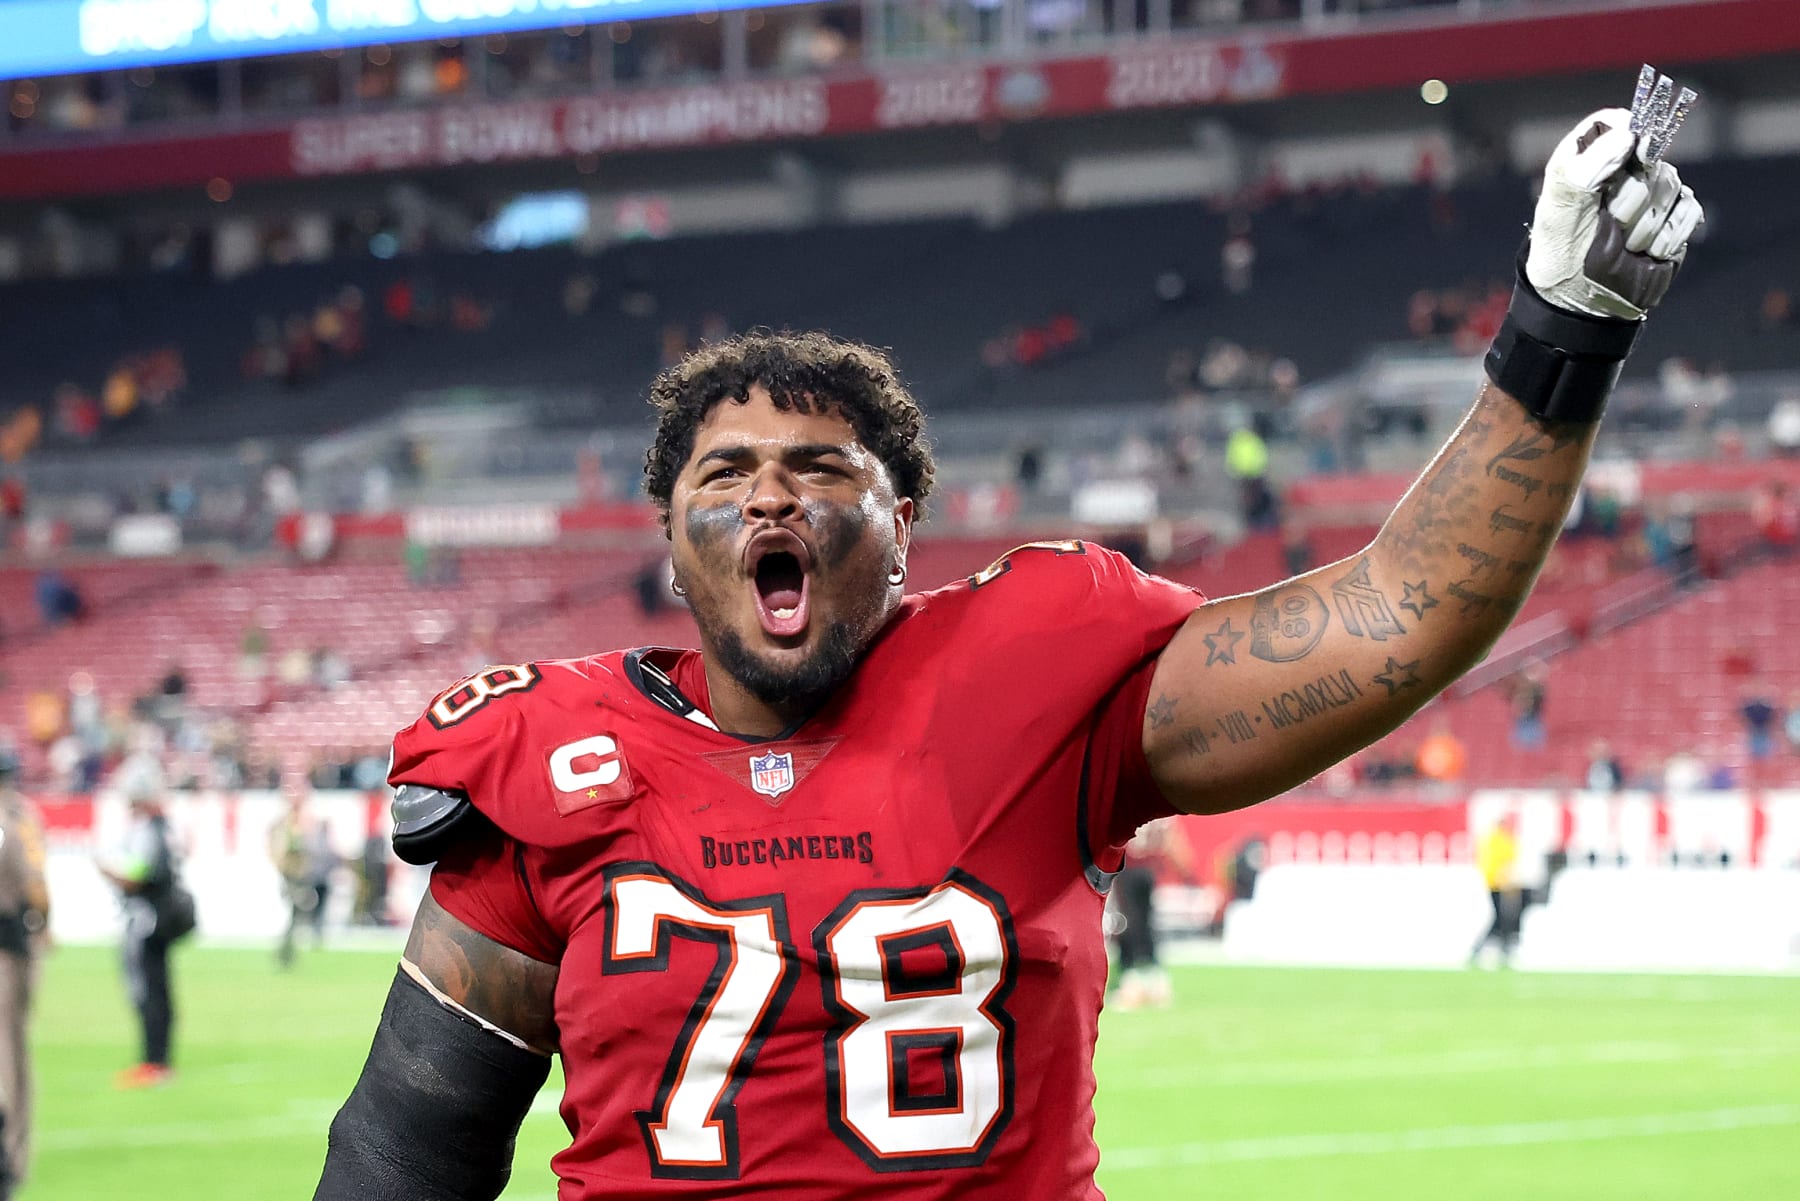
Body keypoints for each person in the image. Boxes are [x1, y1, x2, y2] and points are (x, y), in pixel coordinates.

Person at [316, 106, 1703, 1200]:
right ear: (675, 533)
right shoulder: (553, 760)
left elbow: (1401, 611)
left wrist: (1561, 327)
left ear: (903, 517)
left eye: (821, 467)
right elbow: (411, 1139)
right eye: (727, 472)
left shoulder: (1042, 679)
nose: (773, 495)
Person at [97, 781, 188, 1088]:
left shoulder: (149, 831)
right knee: (159, 990)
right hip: (160, 921)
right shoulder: (166, 829)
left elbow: (139, 875)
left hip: (147, 921)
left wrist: (108, 872)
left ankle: (154, 1061)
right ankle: (158, 1059)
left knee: (148, 991)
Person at [0, 750, 49, 1193]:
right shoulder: (17, 816)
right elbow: (34, 882)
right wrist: (45, 924)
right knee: (10, 1056)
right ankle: (10, 1159)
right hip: (8, 949)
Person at [1109, 816, 1194, 1011]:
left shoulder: (1133, 804)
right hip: (1149, 872)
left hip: (1128, 870)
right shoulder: (1162, 812)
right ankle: (1152, 977)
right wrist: (1186, 873)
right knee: (1145, 923)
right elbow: (1173, 842)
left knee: (1129, 923)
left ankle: (1132, 979)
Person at [271, 786, 339, 968]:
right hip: (292, 878)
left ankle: (286, 953)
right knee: (296, 914)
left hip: (298, 877)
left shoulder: (297, 825)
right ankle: (285, 953)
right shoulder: (287, 826)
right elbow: (280, 854)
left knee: (296, 916)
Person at [1471, 814, 1521, 967]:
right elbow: (1493, 863)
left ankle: (1499, 947)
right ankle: (1492, 947)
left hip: (1503, 884)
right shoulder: (1496, 840)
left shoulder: (1503, 840)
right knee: (1500, 917)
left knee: (1502, 917)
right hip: (1496, 884)